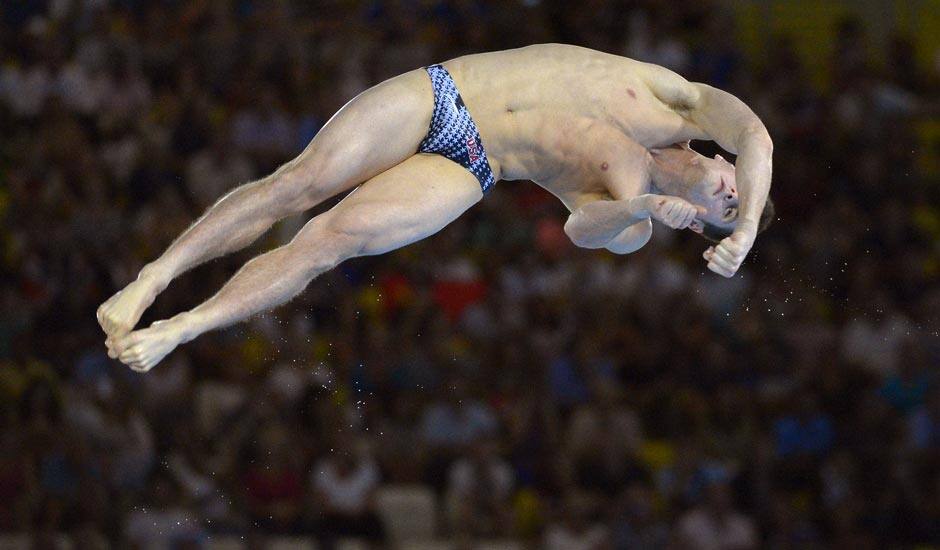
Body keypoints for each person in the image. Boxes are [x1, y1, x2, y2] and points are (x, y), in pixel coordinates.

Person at [98, 44, 774, 371]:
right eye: (736, 189)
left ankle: (182, 327)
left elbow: (579, 226)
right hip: (445, 92)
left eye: (724, 214)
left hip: (473, 166)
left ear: (700, 226)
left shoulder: (635, 214)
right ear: (724, 163)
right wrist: (744, 227)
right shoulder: (680, 99)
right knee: (298, 183)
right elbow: (757, 136)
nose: (726, 195)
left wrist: (650, 207)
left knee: (328, 241)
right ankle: (153, 278)